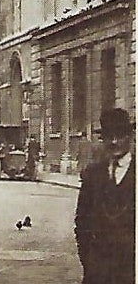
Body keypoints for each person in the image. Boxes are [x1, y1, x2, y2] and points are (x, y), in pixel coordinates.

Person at [74, 108, 135, 284]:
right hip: (97, 273)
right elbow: (82, 222)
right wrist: (89, 262)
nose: (114, 141)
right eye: (109, 136)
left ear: (130, 136)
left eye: (120, 135)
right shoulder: (93, 174)